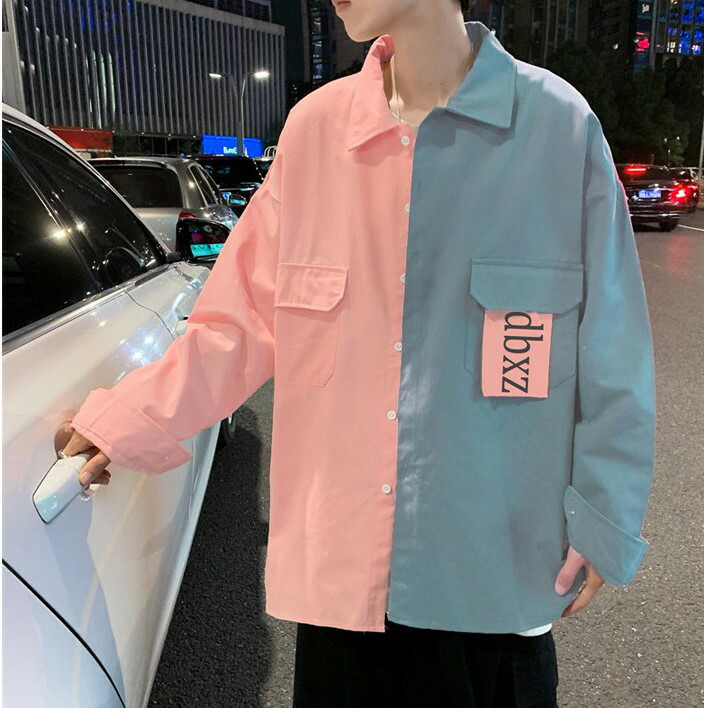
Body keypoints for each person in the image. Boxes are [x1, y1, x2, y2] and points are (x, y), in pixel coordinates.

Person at [63, 1, 656, 706]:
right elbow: (239, 321)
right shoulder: (317, 130)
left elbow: (613, 341)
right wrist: (130, 418)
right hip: (342, 584)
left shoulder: (557, 126)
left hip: (491, 574)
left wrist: (604, 511)